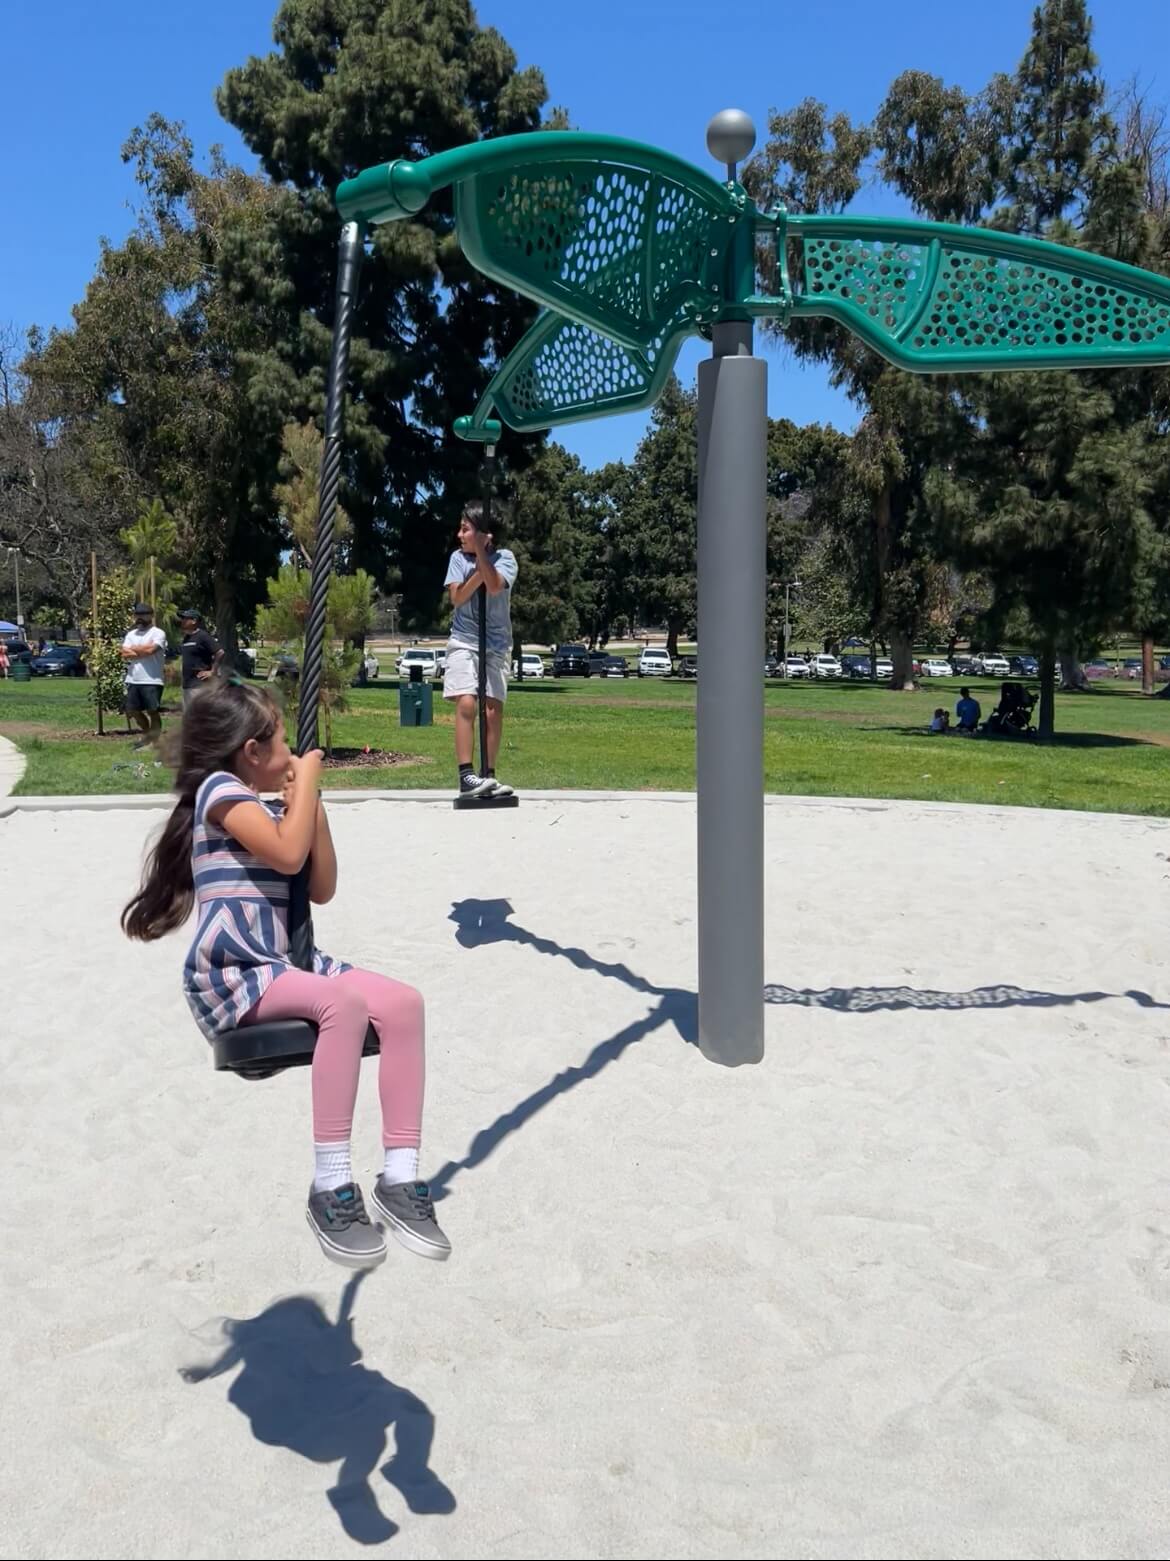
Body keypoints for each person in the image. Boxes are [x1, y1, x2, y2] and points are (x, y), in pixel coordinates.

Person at [120, 679, 450, 1270]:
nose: (291, 752)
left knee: (405, 1005)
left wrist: (309, 801)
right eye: (282, 741)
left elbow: (319, 887)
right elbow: (287, 854)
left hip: (285, 961)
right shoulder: (219, 792)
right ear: (251, 751)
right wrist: (309, 788)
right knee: (341, 1005)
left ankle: (400, 1176)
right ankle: (331, 1186)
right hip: (236, 968)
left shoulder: (273, 805)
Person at [442, 499, 519, 798]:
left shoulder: (506, 558)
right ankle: (466, 776)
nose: (459, 535)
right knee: (466, 703)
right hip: (464, 640)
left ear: (485, 535)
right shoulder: (457, 559)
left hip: (497, 643)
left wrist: (484, 556)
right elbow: (458, 598)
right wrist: (478, 566)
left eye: (465, 530)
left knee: (491, 711)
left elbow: (497, 586)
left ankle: (489, 777)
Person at [120, 603, 168, 748]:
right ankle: (148, 736)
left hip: (152, 678)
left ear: (151, 616)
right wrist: (142, 650)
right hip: (133, 678)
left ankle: (155, 741)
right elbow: (123, 653)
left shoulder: (158, 633)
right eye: (137, 615)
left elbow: (151, 650)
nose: (139, 618)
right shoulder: (131, 634)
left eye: (143, 615)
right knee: (132, 710)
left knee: (152, 711)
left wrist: (134, 650)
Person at [178, 608, 222, 709]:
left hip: (200, 685)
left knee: (200, 717)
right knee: (189, 717)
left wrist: (212, 671)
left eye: (185, 618)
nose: (182, 621)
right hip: (187, 684)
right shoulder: (186, 638)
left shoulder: (203, 636)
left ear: (194, 621)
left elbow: (219, 652)